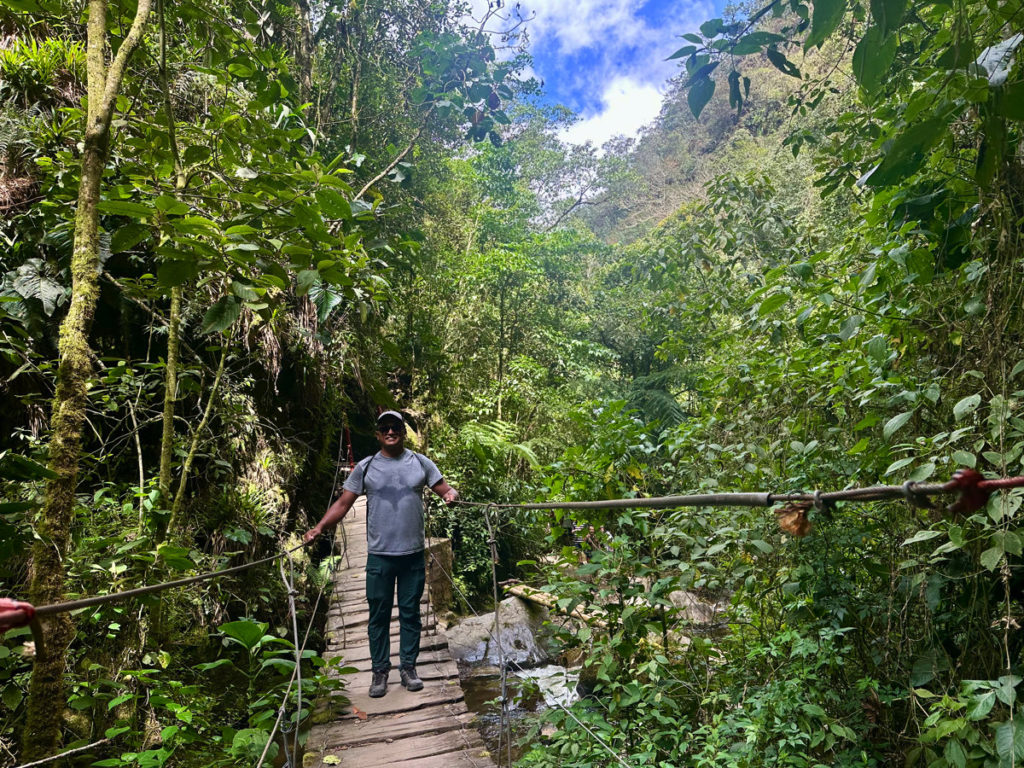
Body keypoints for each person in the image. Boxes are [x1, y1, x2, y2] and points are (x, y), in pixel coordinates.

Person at [303, 410, 459, 698]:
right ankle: (379, 672)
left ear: (403, 431)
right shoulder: (366, 467)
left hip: (412, 554)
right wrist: (319, 528)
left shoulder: (420, 462)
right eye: (385, 428)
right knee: (379, 615)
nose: (391, 431)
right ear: (378, 434)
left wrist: (451, 496)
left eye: (396, 427)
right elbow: (343, 504)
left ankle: (409, 668)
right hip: (379, 555)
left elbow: (445, 489)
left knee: (410, 614)